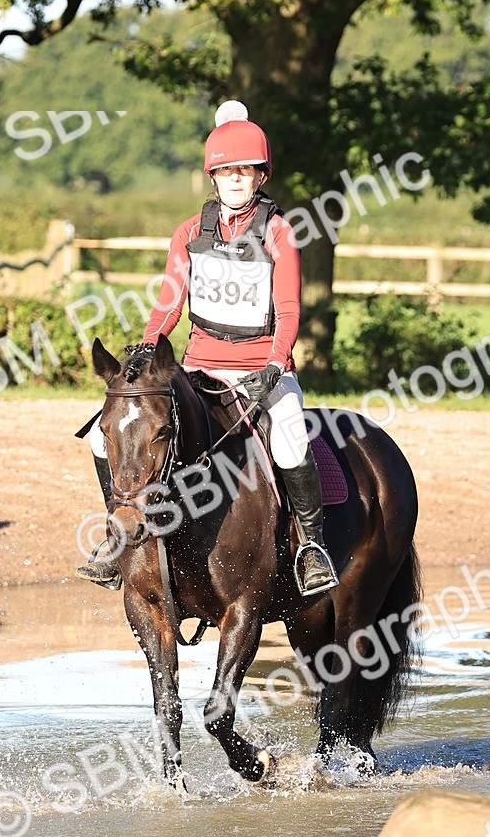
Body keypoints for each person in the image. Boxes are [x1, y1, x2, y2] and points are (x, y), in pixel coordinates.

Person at [77, 100, 338, 596]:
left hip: (262, 369)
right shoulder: (190, 233)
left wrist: (276, 363)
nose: (236, 179)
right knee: (100, 437)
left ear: (260, 176)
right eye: (226, 171)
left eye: (245, 171)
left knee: (290, 438)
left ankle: (311, 547)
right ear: (213, 178)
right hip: (198, 367)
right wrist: (149, 346)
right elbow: (169, 303)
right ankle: (118, 533)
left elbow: (288, 312)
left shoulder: (280, 233)